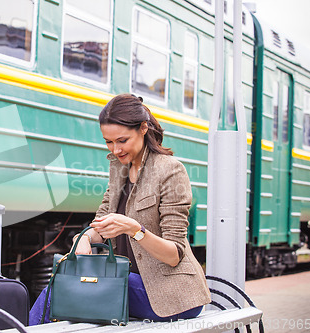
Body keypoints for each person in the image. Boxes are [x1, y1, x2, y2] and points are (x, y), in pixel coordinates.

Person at [29, 93, 211, 324]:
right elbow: (101, 225)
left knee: (58, 292)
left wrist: (135, 229)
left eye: (122, 140)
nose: (115, 150)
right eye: (109, 141)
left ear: (143, 128)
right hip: (129, 283)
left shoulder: (170, 171)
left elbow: (174, 255)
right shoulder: (119, 168)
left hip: (170, 295)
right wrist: (83, 238)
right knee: (65, 289)